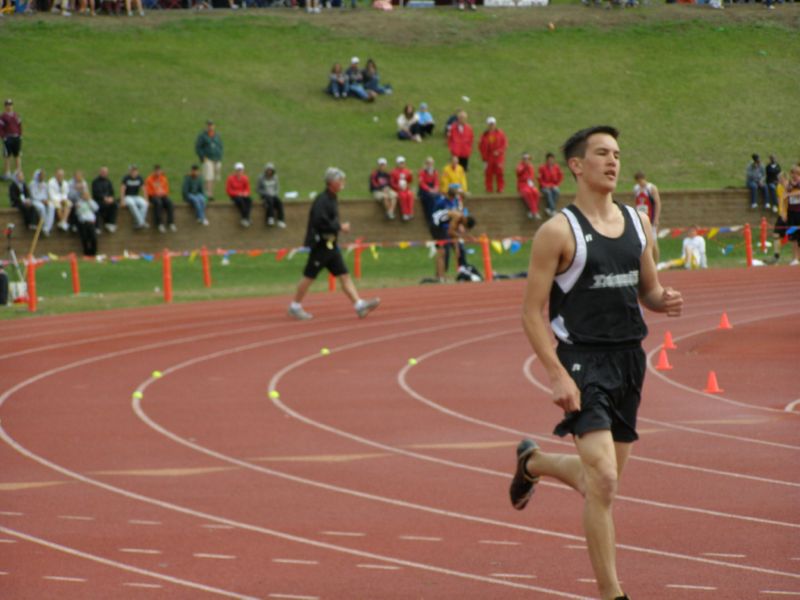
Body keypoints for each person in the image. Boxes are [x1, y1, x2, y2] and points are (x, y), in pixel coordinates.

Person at [509, 125, 683, 600]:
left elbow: (646, 288)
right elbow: (530, 313)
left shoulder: (638, 222)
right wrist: (557, 373)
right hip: (582, 362)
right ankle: (611, 593)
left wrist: (661, 300)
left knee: (598, 483)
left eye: (618, 154)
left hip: (629, 361)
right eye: (602, 153)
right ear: (577, 166)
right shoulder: (557, 231)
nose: (613, 162)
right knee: (603, 479)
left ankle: (534, 462)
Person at [288, 167, 380, 321]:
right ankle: (295, 306)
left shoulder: (332, 198)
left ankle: (359, 305)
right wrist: (339, 227)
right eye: (340, 180)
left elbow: (329, 220)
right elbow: (319, 222)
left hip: (331, 245)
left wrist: (337, 227)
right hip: (320, 245)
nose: (343, 182)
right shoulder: (322, 200)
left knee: (344, 275)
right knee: (309, 276)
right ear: (331, 182)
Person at [633, 171, 662, 262]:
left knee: (653, 242)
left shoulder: (651, 188)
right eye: (638, 182)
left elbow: (657, 203)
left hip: (651, 218)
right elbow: (637, 203)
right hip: (640, 218)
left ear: (644, 179)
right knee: (642, 241)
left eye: (641, 181)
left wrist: (656, 218)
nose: (640, 183)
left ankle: (656, 264)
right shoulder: (636, 189)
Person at [195, 119, 224, 201]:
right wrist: (203, 157)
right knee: (208, 176)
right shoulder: (202, 136)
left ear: (214, 126)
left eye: (211, 125)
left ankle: (211, 192)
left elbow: (220, 146)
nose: (210, 127)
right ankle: (208, 194)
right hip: (208, 159)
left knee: (215, 176)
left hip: (216, 159)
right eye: (209, 125)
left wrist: (220, 156)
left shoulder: (217, 135)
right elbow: (198, 147)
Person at [478, 116, 508, 194]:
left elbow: (504, 144)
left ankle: (500, 189)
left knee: (500, 173)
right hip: (488, 157)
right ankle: (489, 189)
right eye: (490, 124)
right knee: (488, 174)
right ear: (487, 125)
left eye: (493, 124)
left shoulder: (500, 133)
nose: (491, 125)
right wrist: (484, 158)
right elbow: (481, 147)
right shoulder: (484, 135)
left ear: (495, 124)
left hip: (498, 157)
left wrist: (499, 151)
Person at [145, 165, 177, 233]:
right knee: (158, 203)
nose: (158, 173)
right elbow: (148, 191)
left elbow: (166, 189)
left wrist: (163, 193)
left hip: (162, 195)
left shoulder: (163, 178)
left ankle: (171, 222)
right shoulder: (149, 179)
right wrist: (155, 193)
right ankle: (160, 223)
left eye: (159, 171)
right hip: (153, 196)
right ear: (154, 171)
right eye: (156, 171)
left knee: (170, 203)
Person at [120, 165, 149, 230]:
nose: (134, 172)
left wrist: (146, 199)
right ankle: (141, 222)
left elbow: (144, 189)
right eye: (132, 171)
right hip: (127, 196)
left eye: (135, 171)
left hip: (136, 196)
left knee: (145, 204)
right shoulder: (126, 178)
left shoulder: (139, 178)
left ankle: (138, 222)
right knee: (132, 204)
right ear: (129, 171)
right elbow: (122, 189)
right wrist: (122, 200)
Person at [74, 185, 99, 256]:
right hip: (83, 223)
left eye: (87, 195)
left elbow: (96, 208)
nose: (85, 196)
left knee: (93, 238)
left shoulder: (91, 201)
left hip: (91, 222)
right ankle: (86, 252)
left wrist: (89, 201)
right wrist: (78, 208)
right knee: (84, 238)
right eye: (84, 195)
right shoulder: (79, 203)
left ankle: (93, 252)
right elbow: (78, 213)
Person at [1, 99, 23, 181]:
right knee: (7, 155)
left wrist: (20, 135)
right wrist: (4, 137)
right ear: (5, 106)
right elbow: (1, 128)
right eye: (7, 105)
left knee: (17, 155)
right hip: (8, 137)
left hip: (16, 137)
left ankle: (18, 172)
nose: (9, 106)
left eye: (10, 104)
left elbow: (19, 125)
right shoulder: (3, 116)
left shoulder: (16, 115)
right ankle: (7, 172)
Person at [91, 166, 118, 233]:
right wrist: (104, 198)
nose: (104, 173)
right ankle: (96, 227)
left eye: (105, 172)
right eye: (103, 172)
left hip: (107, 201)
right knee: (96, 208)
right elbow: (95, 193)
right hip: (98, 201)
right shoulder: (95, 182)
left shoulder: (108, 181)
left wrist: (111, 198)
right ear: (100, 172)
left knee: (114, 204)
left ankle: (111, 223)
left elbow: (112, 192)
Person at [258, 162, 285, 228]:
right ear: (265, 170)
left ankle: (281, 220)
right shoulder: (261, 178)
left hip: (274, 195)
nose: (269, 172)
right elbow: (258, 189)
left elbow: (277, 188)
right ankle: (270, 218)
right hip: (265, 195)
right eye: (268, 170)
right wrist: (265, 193)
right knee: (270, 201)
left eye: (270, 170)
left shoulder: (275, 177)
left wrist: (274, 193)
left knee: (279, 202)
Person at [30, 169, 55, 237]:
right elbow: (33, 195)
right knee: (42, 208)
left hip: (44, 201)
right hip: (35, 201)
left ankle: (47, 227)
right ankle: (43, 225)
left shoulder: (44, 184)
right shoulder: (32, 184)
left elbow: (45, 194)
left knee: (51, 206)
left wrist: (46, 200)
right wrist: (41, 200)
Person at [226, 162, 253, 227]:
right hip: (234, 195)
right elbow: (228, 190)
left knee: (249, 200)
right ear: (235, 171)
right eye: (238, 170)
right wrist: (237, 193)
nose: (239, 172)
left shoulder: (245, 178)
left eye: (241, 170)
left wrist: (245, 193)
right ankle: (245, 218)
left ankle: (246, 217)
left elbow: (247, 189)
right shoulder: (230, 178)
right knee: (240, 201)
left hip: (243, 195)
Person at [538, 152, 564, 216]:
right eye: (549, 160)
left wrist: (556, 184)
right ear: (547, 160)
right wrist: (545, 185)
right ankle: (553, 209)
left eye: (552, 159)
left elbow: (560, 176)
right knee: (548, 192)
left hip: (553, 185)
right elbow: (540, 179)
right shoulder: (542, 168)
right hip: (544, 187)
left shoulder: (556, 167)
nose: (551, 161)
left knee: (557, 191)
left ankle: (549, 208)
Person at [516, 152, 540, 219]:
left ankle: (533, 211)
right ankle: (534, 211)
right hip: (522, 184)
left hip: (530, 185)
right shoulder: (520, 166)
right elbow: (518, 172)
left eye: (528, 159)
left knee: (536, 192)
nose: (527, 161)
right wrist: (525, 167)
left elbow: (531, 176)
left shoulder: (530, 166)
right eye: (525, 159)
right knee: (528, 193)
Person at [784, 165, 800, 266]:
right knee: (793, 236)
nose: (794, 175)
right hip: (791, 212)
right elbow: (785, 195)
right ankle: (794, 258)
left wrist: (789, 194)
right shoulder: (789, 184)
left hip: (799, 212)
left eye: (796, 173)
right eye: (792, 173)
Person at [417, 156, 439, 225]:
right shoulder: (422, 172)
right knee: (430, 199)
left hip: (432, 189)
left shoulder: (435, 171)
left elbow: (436, 181)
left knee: (439, 197)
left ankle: (437, 215)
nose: (430, 165)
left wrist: (435, 188)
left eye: (431, 163)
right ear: (426, 164)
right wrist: (429, 189)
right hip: (424, 190)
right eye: (428, 163)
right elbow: (421, 183)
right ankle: (430, 217)